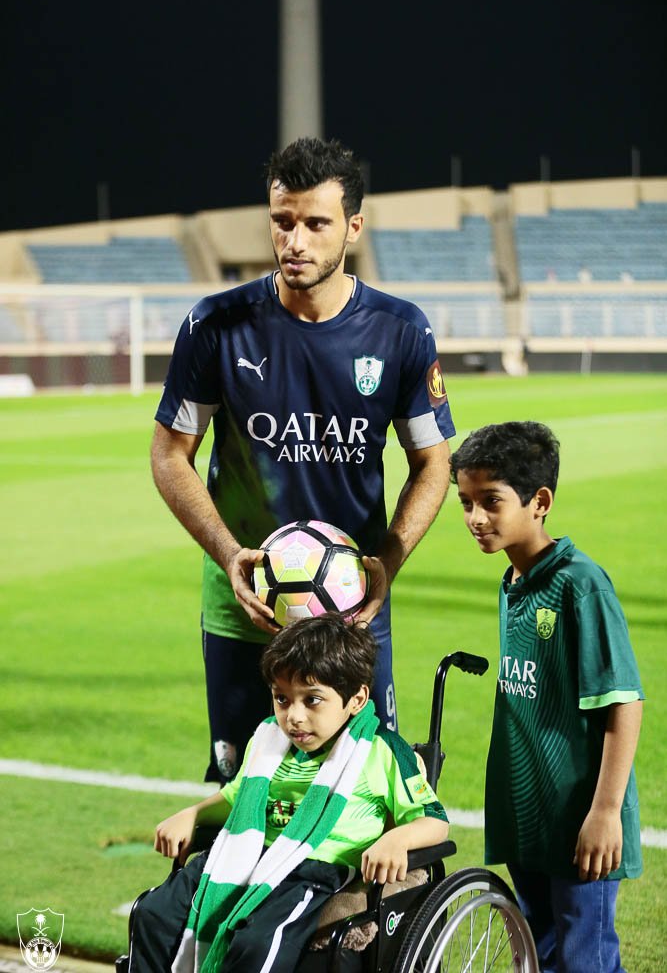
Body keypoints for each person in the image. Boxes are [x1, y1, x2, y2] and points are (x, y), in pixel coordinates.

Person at [151, 136, 455, 783]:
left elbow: (432, 462)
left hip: (351, 599)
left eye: (315, 224)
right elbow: (170, 454)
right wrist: (228, 553)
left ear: (351, 227)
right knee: (242, 791)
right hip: (246, 600)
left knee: (366, 786)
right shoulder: (215, 325)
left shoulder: (400, 331)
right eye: (281, 221)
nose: (295, 241)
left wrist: (387, 563)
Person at [128, 613, 449, 973]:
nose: (293, 717)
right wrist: (193, 815)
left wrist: (397, 840)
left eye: (311, 700)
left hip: (314, 870)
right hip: (244, 853)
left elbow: (434, 821)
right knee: (153, 914)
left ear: (356, 699)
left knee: (258, 943)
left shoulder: (381, 751)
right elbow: (239, 798)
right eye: (282, 699)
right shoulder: (267, 740)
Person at [450, 421, 643, 973]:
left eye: (490, 501)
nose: (474, 519)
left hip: (579, 820)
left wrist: (605, 812)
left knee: (586, 960)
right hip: (529, 815)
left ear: (540, 501)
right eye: (465, 502)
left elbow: (623, 702)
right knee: (539, 954)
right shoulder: (514, 581)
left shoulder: (580, 584)